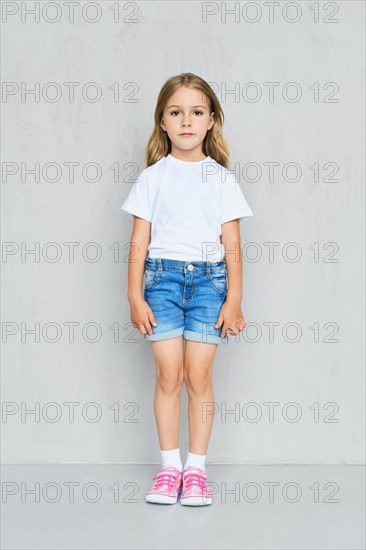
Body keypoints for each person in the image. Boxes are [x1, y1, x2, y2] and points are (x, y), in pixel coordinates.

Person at [120, 72, 254, 506]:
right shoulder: (153, 178)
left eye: (196, 113)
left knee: (199, 376)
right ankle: (169, 468)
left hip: (209, 284)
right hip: (161, 280)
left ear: (212, 120)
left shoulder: (221, 179)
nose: (186, 122)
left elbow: (232, 245)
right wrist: (134, 296)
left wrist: (234, 298)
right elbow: (139, 240)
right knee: (168, 375)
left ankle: (195, 470)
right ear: (162, 121)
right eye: (176, 113)